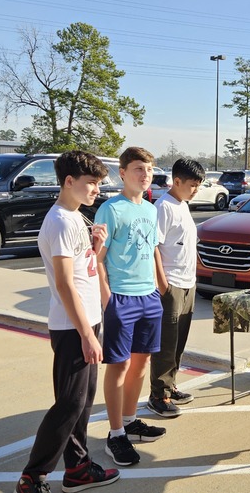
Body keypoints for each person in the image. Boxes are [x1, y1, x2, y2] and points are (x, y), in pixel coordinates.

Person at [15, 150, 119, 493]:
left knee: (82, 402)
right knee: (69, 404)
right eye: (91, 184)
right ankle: (34, 476)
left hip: (87, 322)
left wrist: (98, 247)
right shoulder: (59, 220)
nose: (97, 191)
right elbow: (64, 283)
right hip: (72, 327)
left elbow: (85, 270)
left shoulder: (77, 217)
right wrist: (87, 334)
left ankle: (77, 469)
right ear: (69, 182)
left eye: (99, 184)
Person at [95, 147, 167, 467]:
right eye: (139, 168)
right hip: (121, 297)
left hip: (149, 296)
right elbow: (96, 258)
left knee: (141, 363)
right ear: (122, 173)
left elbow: (151, 250)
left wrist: (161, 284)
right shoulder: (111, 209)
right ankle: (115, 435)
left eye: (149, 168)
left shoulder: (151, 209)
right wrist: (107, 298)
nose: (145, 174)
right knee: (119, 366)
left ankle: (129, 421)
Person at [147, 158, 205, 417]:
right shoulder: (164, 207)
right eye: (192, 185)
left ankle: (170, 386)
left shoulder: (182, 205)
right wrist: (163, 284)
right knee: (166, 344)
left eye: (199, 185)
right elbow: (154, 247)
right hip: (170, 285)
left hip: (187, 284)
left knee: (178, 342)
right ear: (177, 181)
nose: (196, 190)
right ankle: (158, 395)